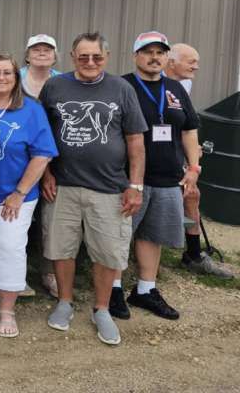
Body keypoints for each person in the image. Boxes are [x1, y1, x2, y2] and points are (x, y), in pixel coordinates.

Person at [38, 32, 147, 345]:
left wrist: (135, 185)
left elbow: (135, 140)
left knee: (108, 251)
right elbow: (42, 133)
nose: (90, 62)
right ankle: (65, 302)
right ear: (72, 57)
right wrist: (45, 173)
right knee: (61, 246)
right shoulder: (55, 86)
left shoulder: (122, 89)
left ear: (107, 57)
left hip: (110, 187)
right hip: (63, 184)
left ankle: (101, 309)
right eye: (83, 56)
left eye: (96, 57)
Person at [0, 55, 58, 338]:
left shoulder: (31, 109)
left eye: (7, 73)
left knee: (8, 248)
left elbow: (42, 155)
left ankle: (8, 309)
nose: (1, 77)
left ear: (17, 77)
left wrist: (19, 193)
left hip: (12, 196)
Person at [115, 32, 201, 319]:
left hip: (168, 178)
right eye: (147, 51)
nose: (154, 57)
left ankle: (145, 290)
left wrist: (193, 168)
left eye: (160, 52)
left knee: (152, 235)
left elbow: (189, 130)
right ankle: (113, 288)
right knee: (118, 234)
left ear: (167, 58)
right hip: (128, 178)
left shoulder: (176, 88)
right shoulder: (121, 86)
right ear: (135, 56)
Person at [165, 44, 231, 278]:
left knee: (192, 194)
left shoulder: (185, 84)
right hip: (152, 157)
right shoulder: (152, 82)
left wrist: (192, 147)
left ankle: (192, 255)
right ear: (172, 62)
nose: (197, 66)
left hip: (175, 151)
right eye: (191, 61)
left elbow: (184, 122)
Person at [20, 33, 61, 298]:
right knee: (17, 218)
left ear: (55, 56)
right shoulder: (14, 78)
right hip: (17, 157)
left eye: (48, 49)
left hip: (52, 158)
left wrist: (49, 170)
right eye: (36, 48)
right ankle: (15, 272)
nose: (42, 52)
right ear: (27, 55)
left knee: (50, 218)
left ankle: (48, 272)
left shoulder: (62, 83)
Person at [21, 34, 60, 99]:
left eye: (47, 50)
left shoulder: (62, 80)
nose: (42, 53)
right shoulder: (15, 78)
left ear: (54, 58)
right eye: (36, 50)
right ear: (27, 57)